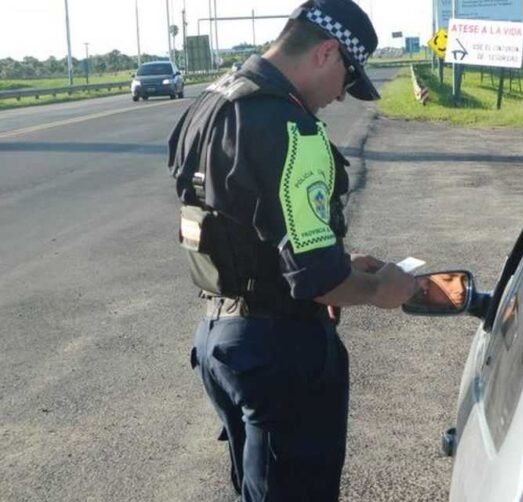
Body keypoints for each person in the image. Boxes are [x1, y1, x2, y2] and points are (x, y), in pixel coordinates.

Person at [166, 1, 416, 500]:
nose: (342, 95)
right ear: (327, 52)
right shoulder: (292, 129)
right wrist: (381, 288)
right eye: (348, 76)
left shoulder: (209, 105)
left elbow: (241, 225)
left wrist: (338, 262)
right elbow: (318, 280)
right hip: (281, 351)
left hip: (221, 341)